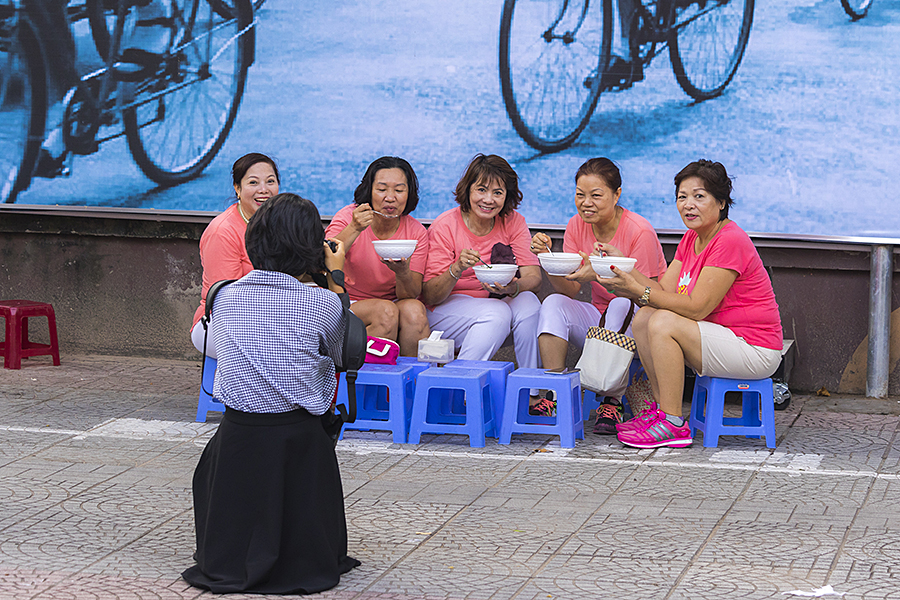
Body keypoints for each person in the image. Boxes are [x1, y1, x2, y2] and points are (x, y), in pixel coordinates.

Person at [182, 193, 360, 594]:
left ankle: (228, 552)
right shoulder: (321, 303)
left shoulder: (223, 296)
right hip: (298, 436)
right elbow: (340, 354)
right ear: (311, 247)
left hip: (237, 434)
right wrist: (334, 276)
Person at [596, 160, 783, 449]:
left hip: (753, 348)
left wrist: (637, 290)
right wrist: (623, 265)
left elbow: (697, 308)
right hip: (720, 338)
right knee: (646, 316)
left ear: (721, 203)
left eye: (699, 196)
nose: (688, 205)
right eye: (682, 197)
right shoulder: (691, 238)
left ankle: (672, 422)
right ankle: (661, 412)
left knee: (661, 321)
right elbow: (661, 291)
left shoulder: (729, 239)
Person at [530, 158, 667, 432]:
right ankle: (556, 395)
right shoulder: (576, 225)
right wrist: (547, 258)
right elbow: (569, 289)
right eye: (580, 195)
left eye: (596, 195)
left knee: (619, 303)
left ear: (617, 195)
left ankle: (611, 401)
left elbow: (651, 295)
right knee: (554, 302)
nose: (586, 203)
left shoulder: (639, 231)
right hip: (600, 320)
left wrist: (599, 275)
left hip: (642, 326)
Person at [422, 154, 542, 401]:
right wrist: (456, 269)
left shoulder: (513, 221)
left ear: (507, 196)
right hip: (444, 312)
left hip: (493, 305)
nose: (489, 200)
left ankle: (532, 393)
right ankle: (457, 392)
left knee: (529, 303)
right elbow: (430, 294)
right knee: (497, 313)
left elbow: (534, 276)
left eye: (498, 192)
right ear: (467, 190)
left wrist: (512, 288)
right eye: (482, 190)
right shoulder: (446, 225)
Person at [325, 156, 430, 356]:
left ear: (409, 194)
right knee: (385, 312)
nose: (390, 197)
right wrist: (355, 228)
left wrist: (403, 272)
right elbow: (325, 257)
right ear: (369, 191)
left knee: (415, 310)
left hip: (391, 302)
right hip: (348, 302)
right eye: (382, 189)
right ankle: (363, 382)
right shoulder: (350, 216)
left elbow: (410, 293)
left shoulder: (416, 231)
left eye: (399, 190)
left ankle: (412, 381)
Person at [190, 153, 279, 357]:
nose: (264, 189)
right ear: (237, 189)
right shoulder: (222, 231)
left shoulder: (278, 223)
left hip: (270, 316)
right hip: (221, 322)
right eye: (253, 182)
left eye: (270, 181)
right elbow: (227, 298)